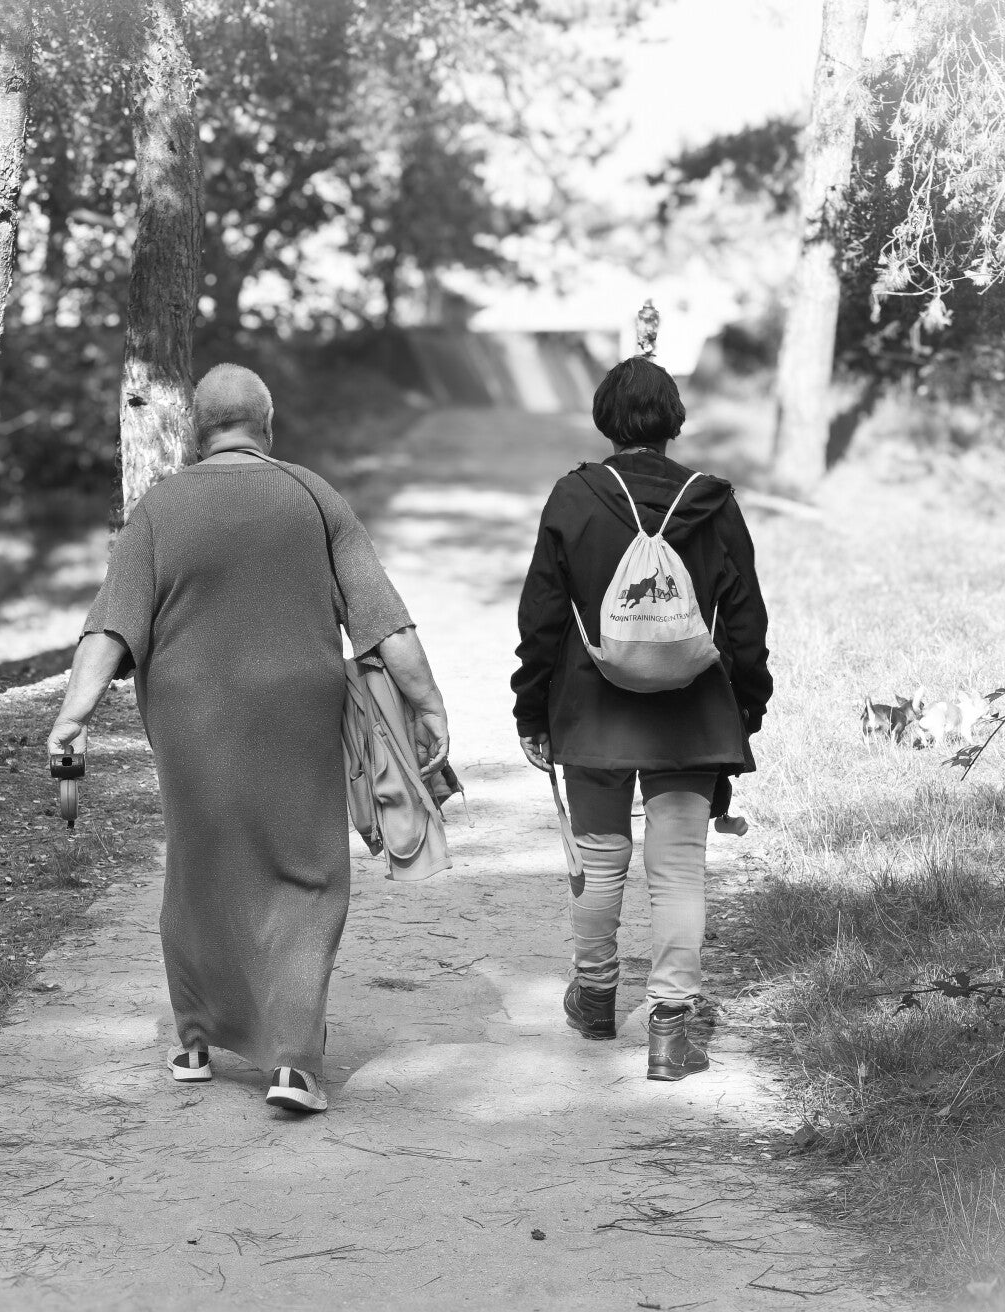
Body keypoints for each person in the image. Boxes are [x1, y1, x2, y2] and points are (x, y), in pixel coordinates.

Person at [48, 363, 450, 1114]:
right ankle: (293, 1064)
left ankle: (194, 1041)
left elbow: (112, 626)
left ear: (195, 431)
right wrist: (427, 705)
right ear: (268, 424)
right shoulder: (313, 495)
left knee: (199, 865)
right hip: (297, 713)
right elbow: (382, 620)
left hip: (190, 718)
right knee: (306, 872)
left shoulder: (160, 507)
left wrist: (72, 717)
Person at [511, 356, 772, 1080]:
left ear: (605, 420)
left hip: (591, 707)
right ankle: (669, 1029)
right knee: (678, 868)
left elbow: (540, 616)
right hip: (690, 711)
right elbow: (745, 619)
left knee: (599, 860)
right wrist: (745, 705)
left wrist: (532, 707)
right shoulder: (711, 501)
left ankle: (596, 998)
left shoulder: (574, 497)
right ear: (673, 421)